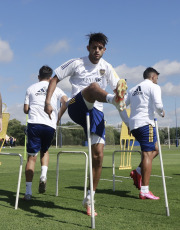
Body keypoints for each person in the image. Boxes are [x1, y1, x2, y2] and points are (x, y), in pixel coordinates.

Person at [44, 32, 128, 215]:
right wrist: (48, 101)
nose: (97, 51)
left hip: (97, 111)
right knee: (92, 88)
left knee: (98, 156)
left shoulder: (108, 67)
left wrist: (127, 120)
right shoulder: (76, 63)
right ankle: (113, 99)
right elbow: (55, 78)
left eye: (100, 48)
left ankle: (89, 199)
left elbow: (118, 86)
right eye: (94, 47)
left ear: (104, 50)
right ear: (88, 48)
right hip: (76, 105)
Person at [23, 65, 68, 201]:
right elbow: (66, 102)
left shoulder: (30, 88)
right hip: (49, 124)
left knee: (32, 157)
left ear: (38, 77)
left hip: (34, 123)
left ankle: (28, 192)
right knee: (45, 150)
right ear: (50, 78)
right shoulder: (57, 89)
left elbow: (25, 109)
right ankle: (43, 175)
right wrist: (57, 117)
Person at [123, 67, 165, 200]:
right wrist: (162, 112)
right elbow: (158, 105)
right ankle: (144, 190)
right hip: (146, 124)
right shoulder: (153, 87)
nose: (157, 81)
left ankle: (138, 171)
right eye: (157, 78)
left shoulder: (133, 89)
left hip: (135, 125)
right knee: (147, 153)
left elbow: (122, 104)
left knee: (156, 149)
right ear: (153, 77)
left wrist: (128, 122)